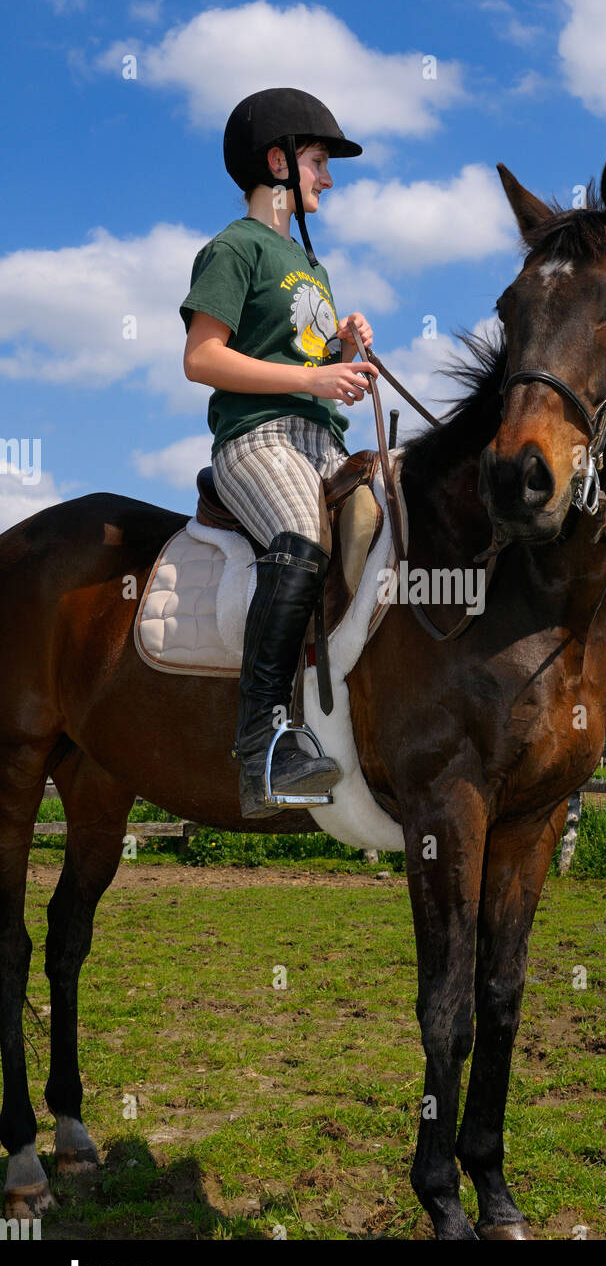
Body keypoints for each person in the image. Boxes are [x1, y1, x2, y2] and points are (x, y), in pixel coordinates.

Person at [179, 88, 378, 818]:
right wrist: (312, 376)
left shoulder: (306, 263)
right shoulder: (234, 248)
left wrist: (344, 348)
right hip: (257, 439)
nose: (327, 177)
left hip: (324, 442)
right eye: (319, 161)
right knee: (299, 540)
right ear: (279, 162)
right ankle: (262, 744)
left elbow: (306, 354)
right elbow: (202, 358)